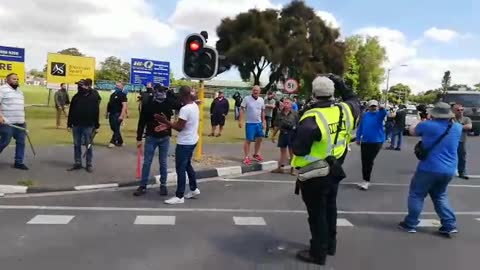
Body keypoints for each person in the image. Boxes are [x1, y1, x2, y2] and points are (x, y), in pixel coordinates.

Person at [291, 75, 360, 266]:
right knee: (330, 207)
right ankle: (330, 244)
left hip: (315, 173)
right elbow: (353, 98)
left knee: (317, 214)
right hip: (336, 168)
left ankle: (317, 253)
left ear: (314, 94)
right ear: (332, 93)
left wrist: (292, 130)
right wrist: (339, 82)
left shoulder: (312, 118)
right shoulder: (345, 110)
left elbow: (299, 148)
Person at [398, 102, 462, 236]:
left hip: (429, 167)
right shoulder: (457, 127)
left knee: (417, 194)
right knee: (440, 195)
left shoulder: (428, 125)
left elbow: (412, 131)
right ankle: (449, 224)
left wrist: (418, 121)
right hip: (449, 168)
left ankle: (410, 223)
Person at [134, 84, 180, 197]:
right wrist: (139, 138)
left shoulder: (168, 102)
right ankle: (143, 185)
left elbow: (179, 104)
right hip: (151, 136)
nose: (161, 93)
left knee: (163, 162)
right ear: (154, 91)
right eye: (159, 91)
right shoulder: (148, 104)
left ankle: (163, 185)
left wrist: (171, 93)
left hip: (164, 136)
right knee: (147, 162)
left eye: (163, 91)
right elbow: (142, 122)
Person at [158, 86, 200, 205]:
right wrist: (168, 125)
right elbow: (183, 124)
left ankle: (179, 196)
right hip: (192, 140)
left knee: (180, 168)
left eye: (179, 95)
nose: (178, 97)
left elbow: (179, 128)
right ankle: (194, 189)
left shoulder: (185, 109)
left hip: (185, 142)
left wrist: (165, 121)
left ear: (183, 95)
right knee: (187, 165)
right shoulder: (194, 106)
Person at [67, 79, 100, 173]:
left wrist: (97, 125)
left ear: (86, 86)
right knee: (76, 145)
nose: (79, 87)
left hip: (88, 126)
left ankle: (89, 164)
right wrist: (69, 124)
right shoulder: (76, 97)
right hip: (76, 125)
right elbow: (71, 111)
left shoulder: (93, 97)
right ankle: (77, 162)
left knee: (88, 145)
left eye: (80, 85)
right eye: (78, 86)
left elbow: (96, 112)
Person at [355, 100, 387, 190]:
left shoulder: (379, 114)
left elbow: (384, 113)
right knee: (364, 161)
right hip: (365, 141)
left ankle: (366, 181)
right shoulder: (365, 115)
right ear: (368, 107)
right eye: (372, 106)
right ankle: (365, 180)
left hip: (377, 142)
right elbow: (360, 127)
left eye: (375, 106)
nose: (373, 108)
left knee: (368, 161)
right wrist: (358, 138)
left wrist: (382, 108)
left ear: (377, 107)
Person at [0, 73, 29, 170]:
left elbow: (20, 107)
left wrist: (24, 119)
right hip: (7, 123)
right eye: (14, 79)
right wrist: (0, 117)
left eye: (17, 79)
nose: (16, 80)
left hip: (21, 123)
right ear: (7, 80)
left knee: (21, 142)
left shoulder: (19, 91)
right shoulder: (2, 89)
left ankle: (18, 162)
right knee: (4, 142)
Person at [238, 86, 266, 165]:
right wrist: (240, 120)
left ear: (259, 91)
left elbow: (263, 111)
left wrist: (263, 121)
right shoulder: (247, 99)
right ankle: (246, 157)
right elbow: (242, 109)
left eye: (257, 90)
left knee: (260, 138)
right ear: (252, 91)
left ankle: (256, 154)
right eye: (254, 90)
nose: (255, 92)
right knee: (248, 140)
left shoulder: (261, 100)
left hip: (259, 123)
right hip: (250, 123)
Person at [271, 98, 298, 175]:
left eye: (287, 103)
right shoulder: (279, 114)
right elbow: (276, 126)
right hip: (283, 134)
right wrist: (273, 135)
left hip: (292, 134)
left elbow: (298, 124)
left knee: (291, 152)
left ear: (291, 105)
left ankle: (293, 169)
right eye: (284, 103)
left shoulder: (295, 113)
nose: (285, 104)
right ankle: (281, 168)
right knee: (283, 152)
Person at [452, 103, 472, 179]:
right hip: (450, 141)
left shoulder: (466, 119)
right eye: (458, 110)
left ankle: (462, 172)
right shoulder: (450, 118)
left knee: (462, 156)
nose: (460, 111)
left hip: (461, 141)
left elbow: (469, 126)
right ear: (453, 111)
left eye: (462, 109)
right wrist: (462, 127)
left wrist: (456, 126)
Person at [106, 82, 128, 148]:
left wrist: (122, 115)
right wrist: (107, 112)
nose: (117, 87)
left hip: (118, 113)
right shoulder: (112, 95)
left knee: (116, 127)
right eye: (116, 85)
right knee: (113, 127)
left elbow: (124, 106)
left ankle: (112, 142)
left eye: (118, 86)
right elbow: (109, 104)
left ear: (122, 87)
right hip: (112, 113)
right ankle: (120, 141)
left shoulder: (123, 95)